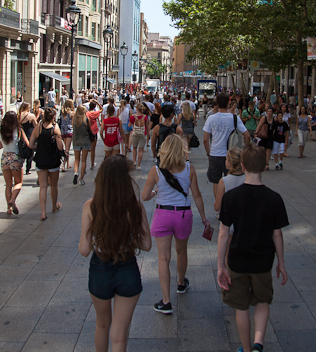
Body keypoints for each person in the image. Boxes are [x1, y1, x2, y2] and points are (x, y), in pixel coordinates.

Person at [217, 145, 289, 352]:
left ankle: (247, 349)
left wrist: (221, 265)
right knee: (262, 301)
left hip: (238, 259)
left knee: (241, 307)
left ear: (243, 166)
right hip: (263, 260)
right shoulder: (274, 198)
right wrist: (281, 263)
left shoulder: (231, 197)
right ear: (265, 167)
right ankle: (259, 343)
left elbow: (223, 233)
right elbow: (277, 234)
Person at [78, 155, 152, 352]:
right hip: (127, 268)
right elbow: (146, 244)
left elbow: (84, 250)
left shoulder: (91, 206)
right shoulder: (135, 206)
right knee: (119, 336)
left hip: (100, 268)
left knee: (102, 325)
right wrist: (127, 237)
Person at [141, 134, 207, 314]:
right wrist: (203, 218)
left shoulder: (155, 171)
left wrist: (156, 192)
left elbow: (144, 196)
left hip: (163, 214)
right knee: (181, 251)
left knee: (163, 258)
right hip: (183, 214)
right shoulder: (189, 169)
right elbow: (197, 195)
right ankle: (181, 282)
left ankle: (166, 301)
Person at [203, 93, 251, 196]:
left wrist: (208, 153)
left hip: (215, 154)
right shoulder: (234, 118)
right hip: (231, 155)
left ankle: (218, 203)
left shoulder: (211, 118)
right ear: (228, 103)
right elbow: (247, 136)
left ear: (217, 103)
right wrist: (245, 152)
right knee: (231, 180)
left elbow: (205, 139)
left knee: (216, 181)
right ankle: (230, 201)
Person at [29, 107, 64, 221]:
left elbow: (31, 144)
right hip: (53, 160)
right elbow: (60, 147)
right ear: (53, 117)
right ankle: (54, 206)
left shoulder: (37, 129)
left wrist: (39, 146)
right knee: (53, 185)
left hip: (41, 160)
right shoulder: (55, 129)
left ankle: (43, 213)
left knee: (43, 186)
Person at [0, 111, 30, 215]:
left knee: (8, 185)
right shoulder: (19, 130)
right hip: (15, 157)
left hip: (4, 157)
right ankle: (12, 200)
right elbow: (28, 144)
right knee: (18, 182)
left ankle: (8, 208)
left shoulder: (1, 131)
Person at [213, 147, 245, 213]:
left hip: (229, 215)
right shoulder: (248, 178)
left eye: (226, 159)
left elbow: (217, 207)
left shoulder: (224, 181)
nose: (225, 161)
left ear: (230, 163)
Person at [71, 106, 92, 186]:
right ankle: (81, 179)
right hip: (85, 141)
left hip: (76, 141)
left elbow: (73, 128)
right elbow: (89, 129)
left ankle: (76, 172)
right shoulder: (86, 119)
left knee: (76, 159)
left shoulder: (74, 119)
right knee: (83, 160)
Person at [18, 103, 38, 176]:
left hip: (21, 136)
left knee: (21, 150)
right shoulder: (31, 116)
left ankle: (20, 166)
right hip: (30, 135)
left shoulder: (18, 115)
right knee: (30, 153)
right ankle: (28, 169)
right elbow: (36, 126)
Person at [130, 104, 148, 170]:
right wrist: (147, 134)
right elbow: (146, 126)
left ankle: (134, 161)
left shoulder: (133, 116)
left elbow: (129, 125)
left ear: (137, 108)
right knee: (140, 150)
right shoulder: (145, 117)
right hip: (143, 133)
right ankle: (138, 165)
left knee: (134, 147)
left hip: (135, 133)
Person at [59, 99, 75, 171]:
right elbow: (72, 123)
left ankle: (68, 163)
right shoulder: (72, 113)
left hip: (63, 130)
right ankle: (63, 165)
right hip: (69, 130)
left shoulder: (62, 112)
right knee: (67, 149)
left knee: (66, 146)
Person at [87, 100, 103, 170]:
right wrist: (98, 102)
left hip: (87, 131)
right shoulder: (95, 113)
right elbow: (101, 109)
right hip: (94, 131)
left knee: (85, 149)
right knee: (93, 149)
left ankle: (84, 166)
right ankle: (92, 164)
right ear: (94, 107)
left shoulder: (87, 113)